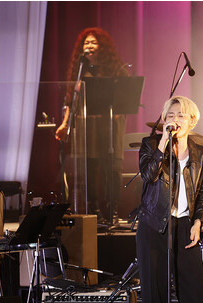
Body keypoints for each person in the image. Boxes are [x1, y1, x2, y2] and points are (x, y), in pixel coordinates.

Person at [136, 96, 203, 303]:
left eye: (181, 115)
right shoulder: (150, 145)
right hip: (153, 225)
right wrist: (162, 144)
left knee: (195, 293)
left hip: (184, 225)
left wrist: (198, 222)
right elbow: (148, 175)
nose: (175, 119)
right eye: (170, 115)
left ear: (191, 121)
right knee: (154, 294)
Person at [55, 28, 128, 225]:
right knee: (89, 170)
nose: (89, 46)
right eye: (86, 43)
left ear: (103, 47)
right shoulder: (79, 70)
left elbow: (125, 97)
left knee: (111, 170)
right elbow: (71, 101)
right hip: (87, 129)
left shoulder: (115, 69)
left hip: (109, 129)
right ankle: (93, 210)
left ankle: (111, 211)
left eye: (93, 42)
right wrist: (65, 124)